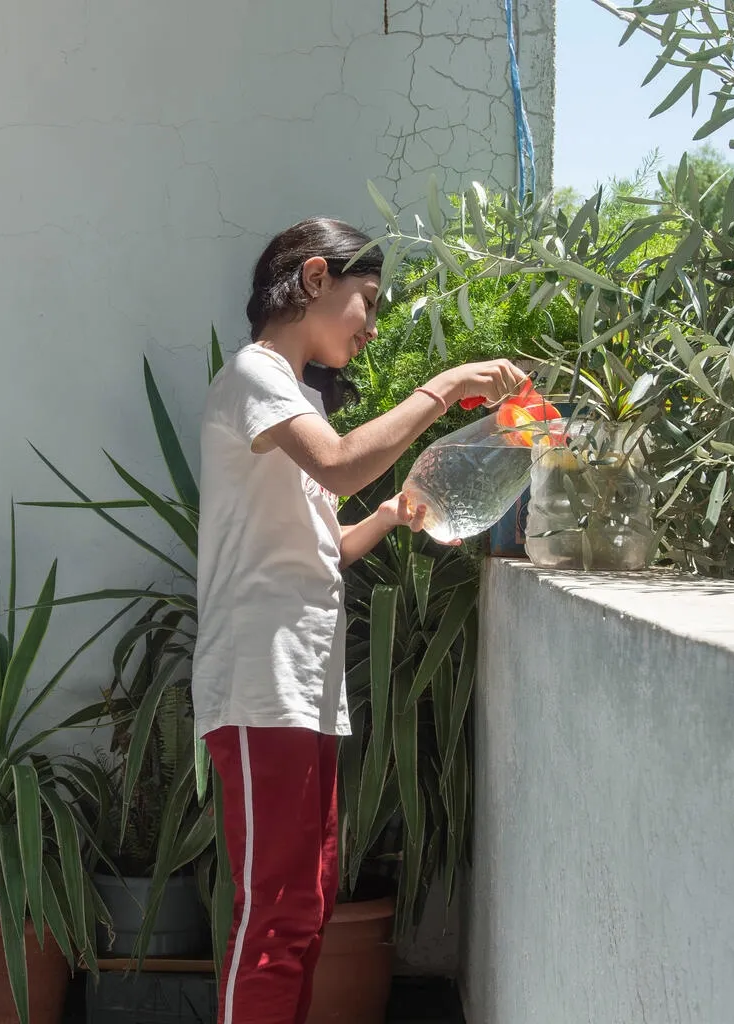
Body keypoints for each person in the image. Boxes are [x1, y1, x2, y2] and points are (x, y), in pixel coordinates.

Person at [193, 218, 528, 1024]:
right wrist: (446, 386)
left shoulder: (291, 399)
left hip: (303, 688)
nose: (371, 327)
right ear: (315, 279)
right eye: (365, 301)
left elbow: (323, 545)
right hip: (259, 683)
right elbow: (341, 466)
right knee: (275, 914)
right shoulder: (255, 375)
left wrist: (394, 515)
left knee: (306, 909)